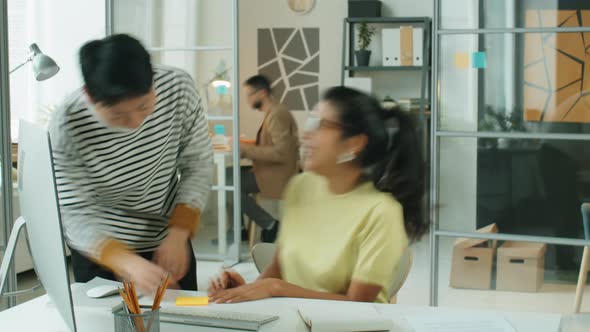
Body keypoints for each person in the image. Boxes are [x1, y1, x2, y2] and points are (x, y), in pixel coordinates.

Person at [208, 86, 427, 304]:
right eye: (310, 122)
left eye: (321, 125)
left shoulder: (381, 212)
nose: (307, 134)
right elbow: (278, 268)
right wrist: (248, 290)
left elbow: (358, 305)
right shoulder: (301, 186)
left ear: (354, 143)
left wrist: (275, 288)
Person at [49, 34, 213, 292]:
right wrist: (123, 261)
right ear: (89, 96)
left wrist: (179, 231)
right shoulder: (67, 125)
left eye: (144, 106)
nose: (136, 122)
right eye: (118, 115)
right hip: (102, 248)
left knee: (181, 322)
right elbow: (74, 210)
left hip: (169, 237)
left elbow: (198, 165)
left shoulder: (178, 88)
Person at [232, 75, 299, 242]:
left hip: (276, 174)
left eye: (249, 95)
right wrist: (247, 144)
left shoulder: (277, 114)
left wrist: (246, 150)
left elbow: (281, 152)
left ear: (262, 93)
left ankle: (270, 225)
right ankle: (240, 229)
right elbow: (272, 142)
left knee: (229, 184)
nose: (247, 100)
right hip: (268, 169)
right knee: (229, 177)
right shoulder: (274, 112)